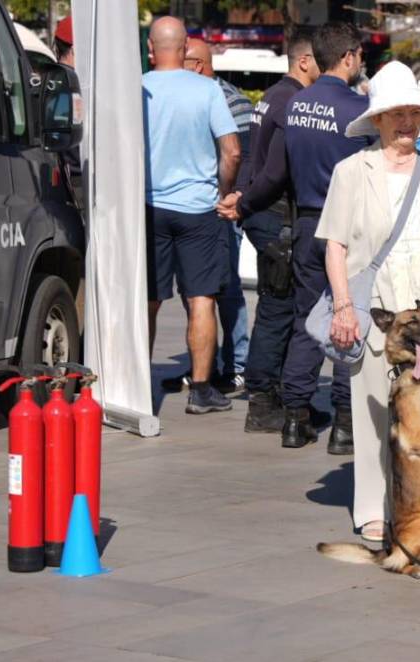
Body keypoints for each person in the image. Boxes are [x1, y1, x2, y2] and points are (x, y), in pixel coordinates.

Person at [318, 62, 420, 540]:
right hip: (378, 312)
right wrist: (343, 306)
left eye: (415, 113)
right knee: (373, 412)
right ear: (378, 120)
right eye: (397, 113)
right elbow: (336, 246)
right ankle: (373, 507)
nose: (407, 122)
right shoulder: (351, 171)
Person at [217, 21, 374, 452]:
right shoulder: (359, 110)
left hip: (305, 224)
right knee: (349, 321)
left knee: (308, 322)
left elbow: (274, 173)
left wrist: (242, 202)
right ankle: (344, 424)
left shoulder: (297, 105)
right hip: (349, 229)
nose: (362, 61)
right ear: (346, 57)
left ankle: (294, 416)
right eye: (359, 54)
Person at [141, 17, 240, 415]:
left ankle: (137, 383)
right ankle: (200, 390)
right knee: (202, 298)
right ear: (185, 50)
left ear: (151, 48)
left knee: (148, 301)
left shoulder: (138, 88)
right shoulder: (207, 89)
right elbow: (232, 150)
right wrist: (223, 191)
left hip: (149, 207)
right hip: (199, 209)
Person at [221, 27, 318, 434]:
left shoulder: (275, 98)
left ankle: (271, 394)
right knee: (279, 309)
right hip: (276, 217)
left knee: (277, 306)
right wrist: (244, 201)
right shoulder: (292, 101)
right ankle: (264, 401)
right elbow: (277, 171)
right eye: (321, 59)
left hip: (265, 213)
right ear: (303, 61)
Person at [171, 37, 252, 396]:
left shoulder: (230, 100)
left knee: (227, 291)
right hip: (191, 209)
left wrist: (227, 198)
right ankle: (202, 366)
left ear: (198, 65)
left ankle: (236, 366)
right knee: (196, 293)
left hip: (219, 212)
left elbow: (239, 156)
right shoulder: (188, 96)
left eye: (180, 62)